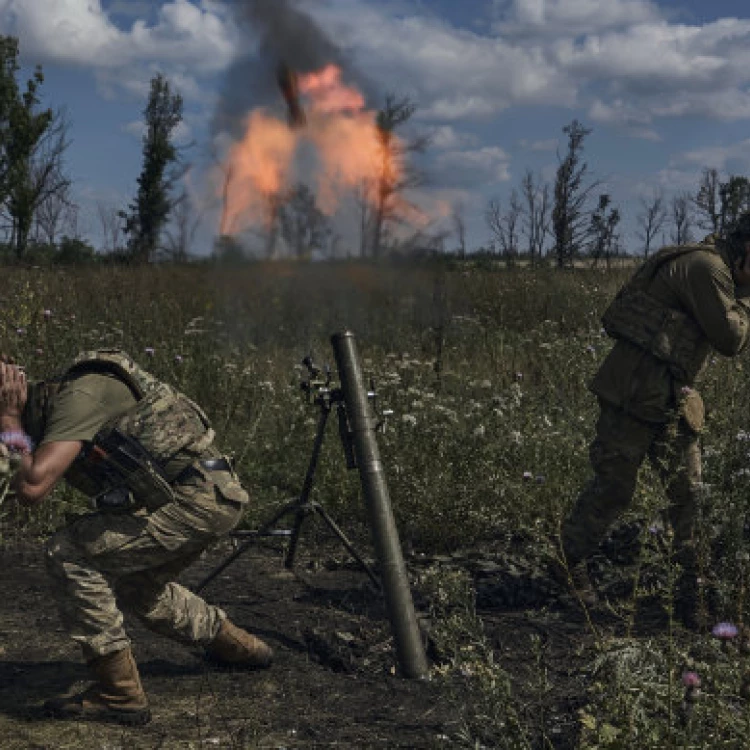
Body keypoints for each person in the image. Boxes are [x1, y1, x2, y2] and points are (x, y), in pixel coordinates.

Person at [0, 349, 273, 725]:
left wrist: (8, 418)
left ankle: (119, 693)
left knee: (69, 551)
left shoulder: (78, 397)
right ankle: (241, 648)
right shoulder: (48, 415)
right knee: (138, 589)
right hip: (194, 497)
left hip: (196, 498)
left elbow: (31, 487)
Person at [556, 216, 750, 627]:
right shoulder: (707, 267)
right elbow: (731, 338)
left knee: (690, 497)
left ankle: (691, 593)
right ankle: (567, 564)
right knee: (614, 487)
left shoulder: (716, 267)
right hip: (634, 394)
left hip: (672, 398)